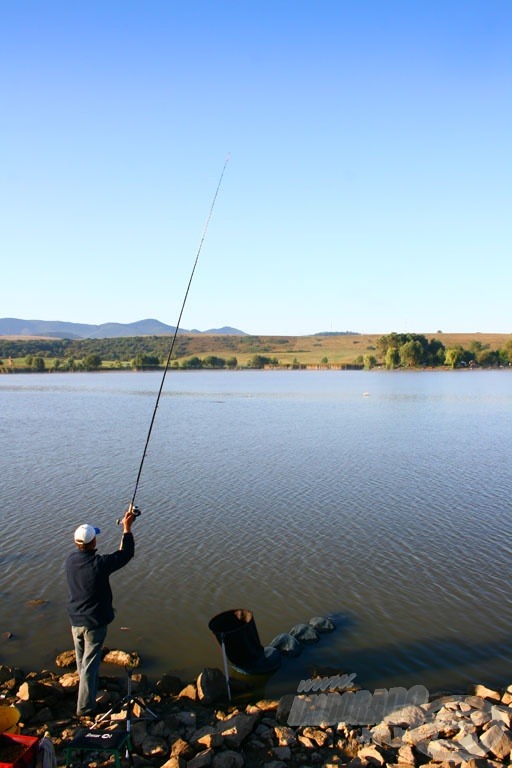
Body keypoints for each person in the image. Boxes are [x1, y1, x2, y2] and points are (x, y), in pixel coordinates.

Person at [65, 505, 136, 718]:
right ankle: (85, 709)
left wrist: (126, 527)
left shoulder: (70, 561)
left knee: (82, 662)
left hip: (75, 620)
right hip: (94, 623)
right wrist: (127, 528)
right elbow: (125, 554)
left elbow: (118, 555)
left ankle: (86, 693)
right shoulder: (99, 564)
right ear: (93, 542)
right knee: (89, 665)